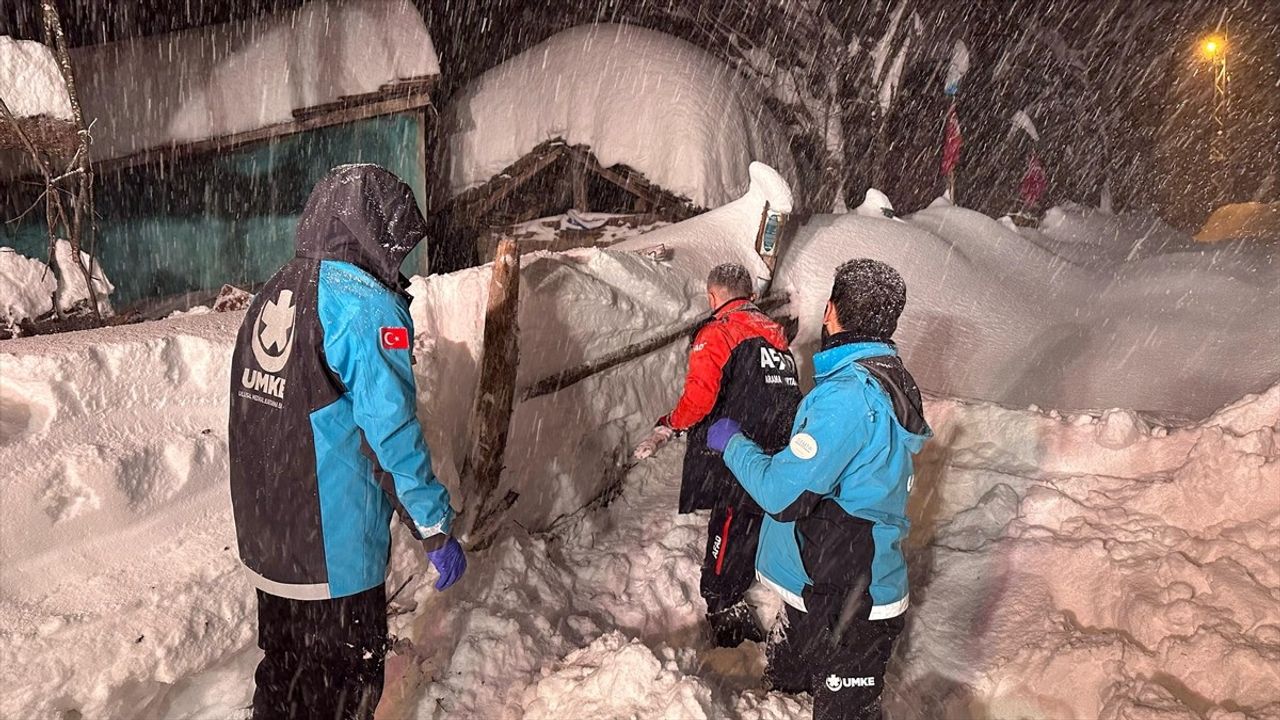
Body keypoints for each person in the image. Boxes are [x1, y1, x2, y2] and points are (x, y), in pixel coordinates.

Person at [228, 165, 466, 720]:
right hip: (332, 554)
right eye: (396, 245)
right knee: (343, 691)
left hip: (271, 544)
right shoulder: (361, 305)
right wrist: (432, 526)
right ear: (372, 231)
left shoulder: (273, 291)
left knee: (284, 678)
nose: (399, 261)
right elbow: (391, 434)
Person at [706, 258, 931, 720]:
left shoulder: (849, 395)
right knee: (781, 697)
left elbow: (782, 495)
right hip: (817, 589)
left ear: (831, 310)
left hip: (853, 608)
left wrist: (732, 443)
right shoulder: (873, 378)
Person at [633, 262, 801, 648]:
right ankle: (741, 580)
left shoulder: (720, 331)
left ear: (713, 296)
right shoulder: (774, 335)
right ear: (751, 295)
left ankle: (722, 603)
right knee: (752, 517)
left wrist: (670, 423)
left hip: (737, 444)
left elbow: (700, 398)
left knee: (728, 520)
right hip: (776, 444)